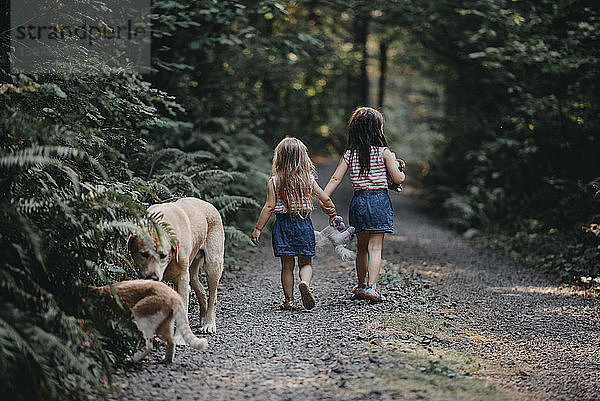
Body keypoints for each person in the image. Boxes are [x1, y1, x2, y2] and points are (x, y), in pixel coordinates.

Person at [321, 107, 405, 302]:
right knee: (375, 248)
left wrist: (323, 197)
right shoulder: (385, 153)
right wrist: (400, 168)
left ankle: (360, 285)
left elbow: (335, 178)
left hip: (358, 202)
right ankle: (372, 287)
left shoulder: (350, 154)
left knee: (361, 247)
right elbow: (398, 179)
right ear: (377, 130)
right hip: (379, 201)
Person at [251, 137, 337, 310]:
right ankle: (305, 282)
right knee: (306, 262)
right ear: (303, 157)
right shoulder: (308, 179)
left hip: (283, 226)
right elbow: (324, 198)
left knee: (287, 266)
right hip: (304, 224)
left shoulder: (274, 182)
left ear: (279, 158)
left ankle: (289, 301)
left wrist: (258, 228)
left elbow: (269, 207)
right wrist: (332, 213)